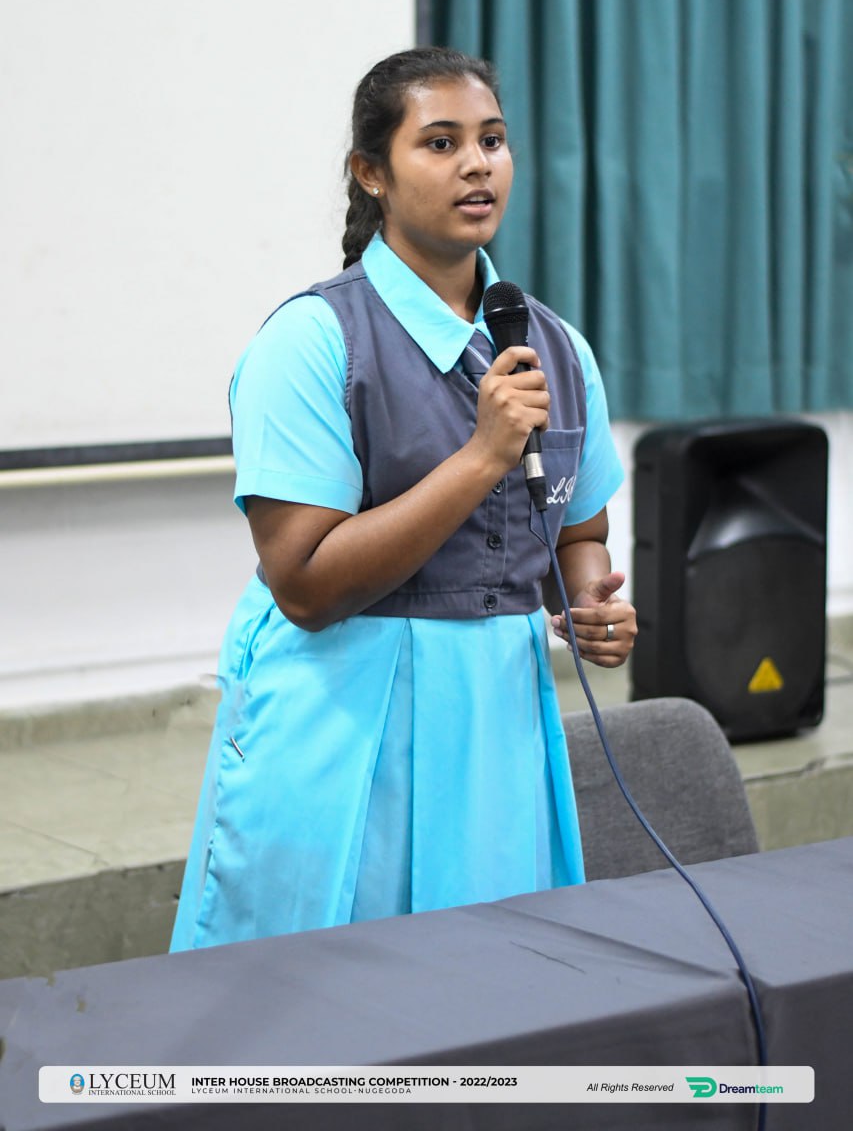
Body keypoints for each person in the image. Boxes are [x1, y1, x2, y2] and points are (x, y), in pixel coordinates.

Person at [170, 47, 637, 953]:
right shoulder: (311, 343)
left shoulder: (555, 345)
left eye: (492, 140)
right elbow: (304, 585)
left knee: (485, 985)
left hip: (496, 719)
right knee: (327, 1002)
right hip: (343, 718)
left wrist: (587, 601)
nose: (477, 164)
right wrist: (479, 457)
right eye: (441, 142)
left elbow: (581, 523)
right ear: (371, 174)